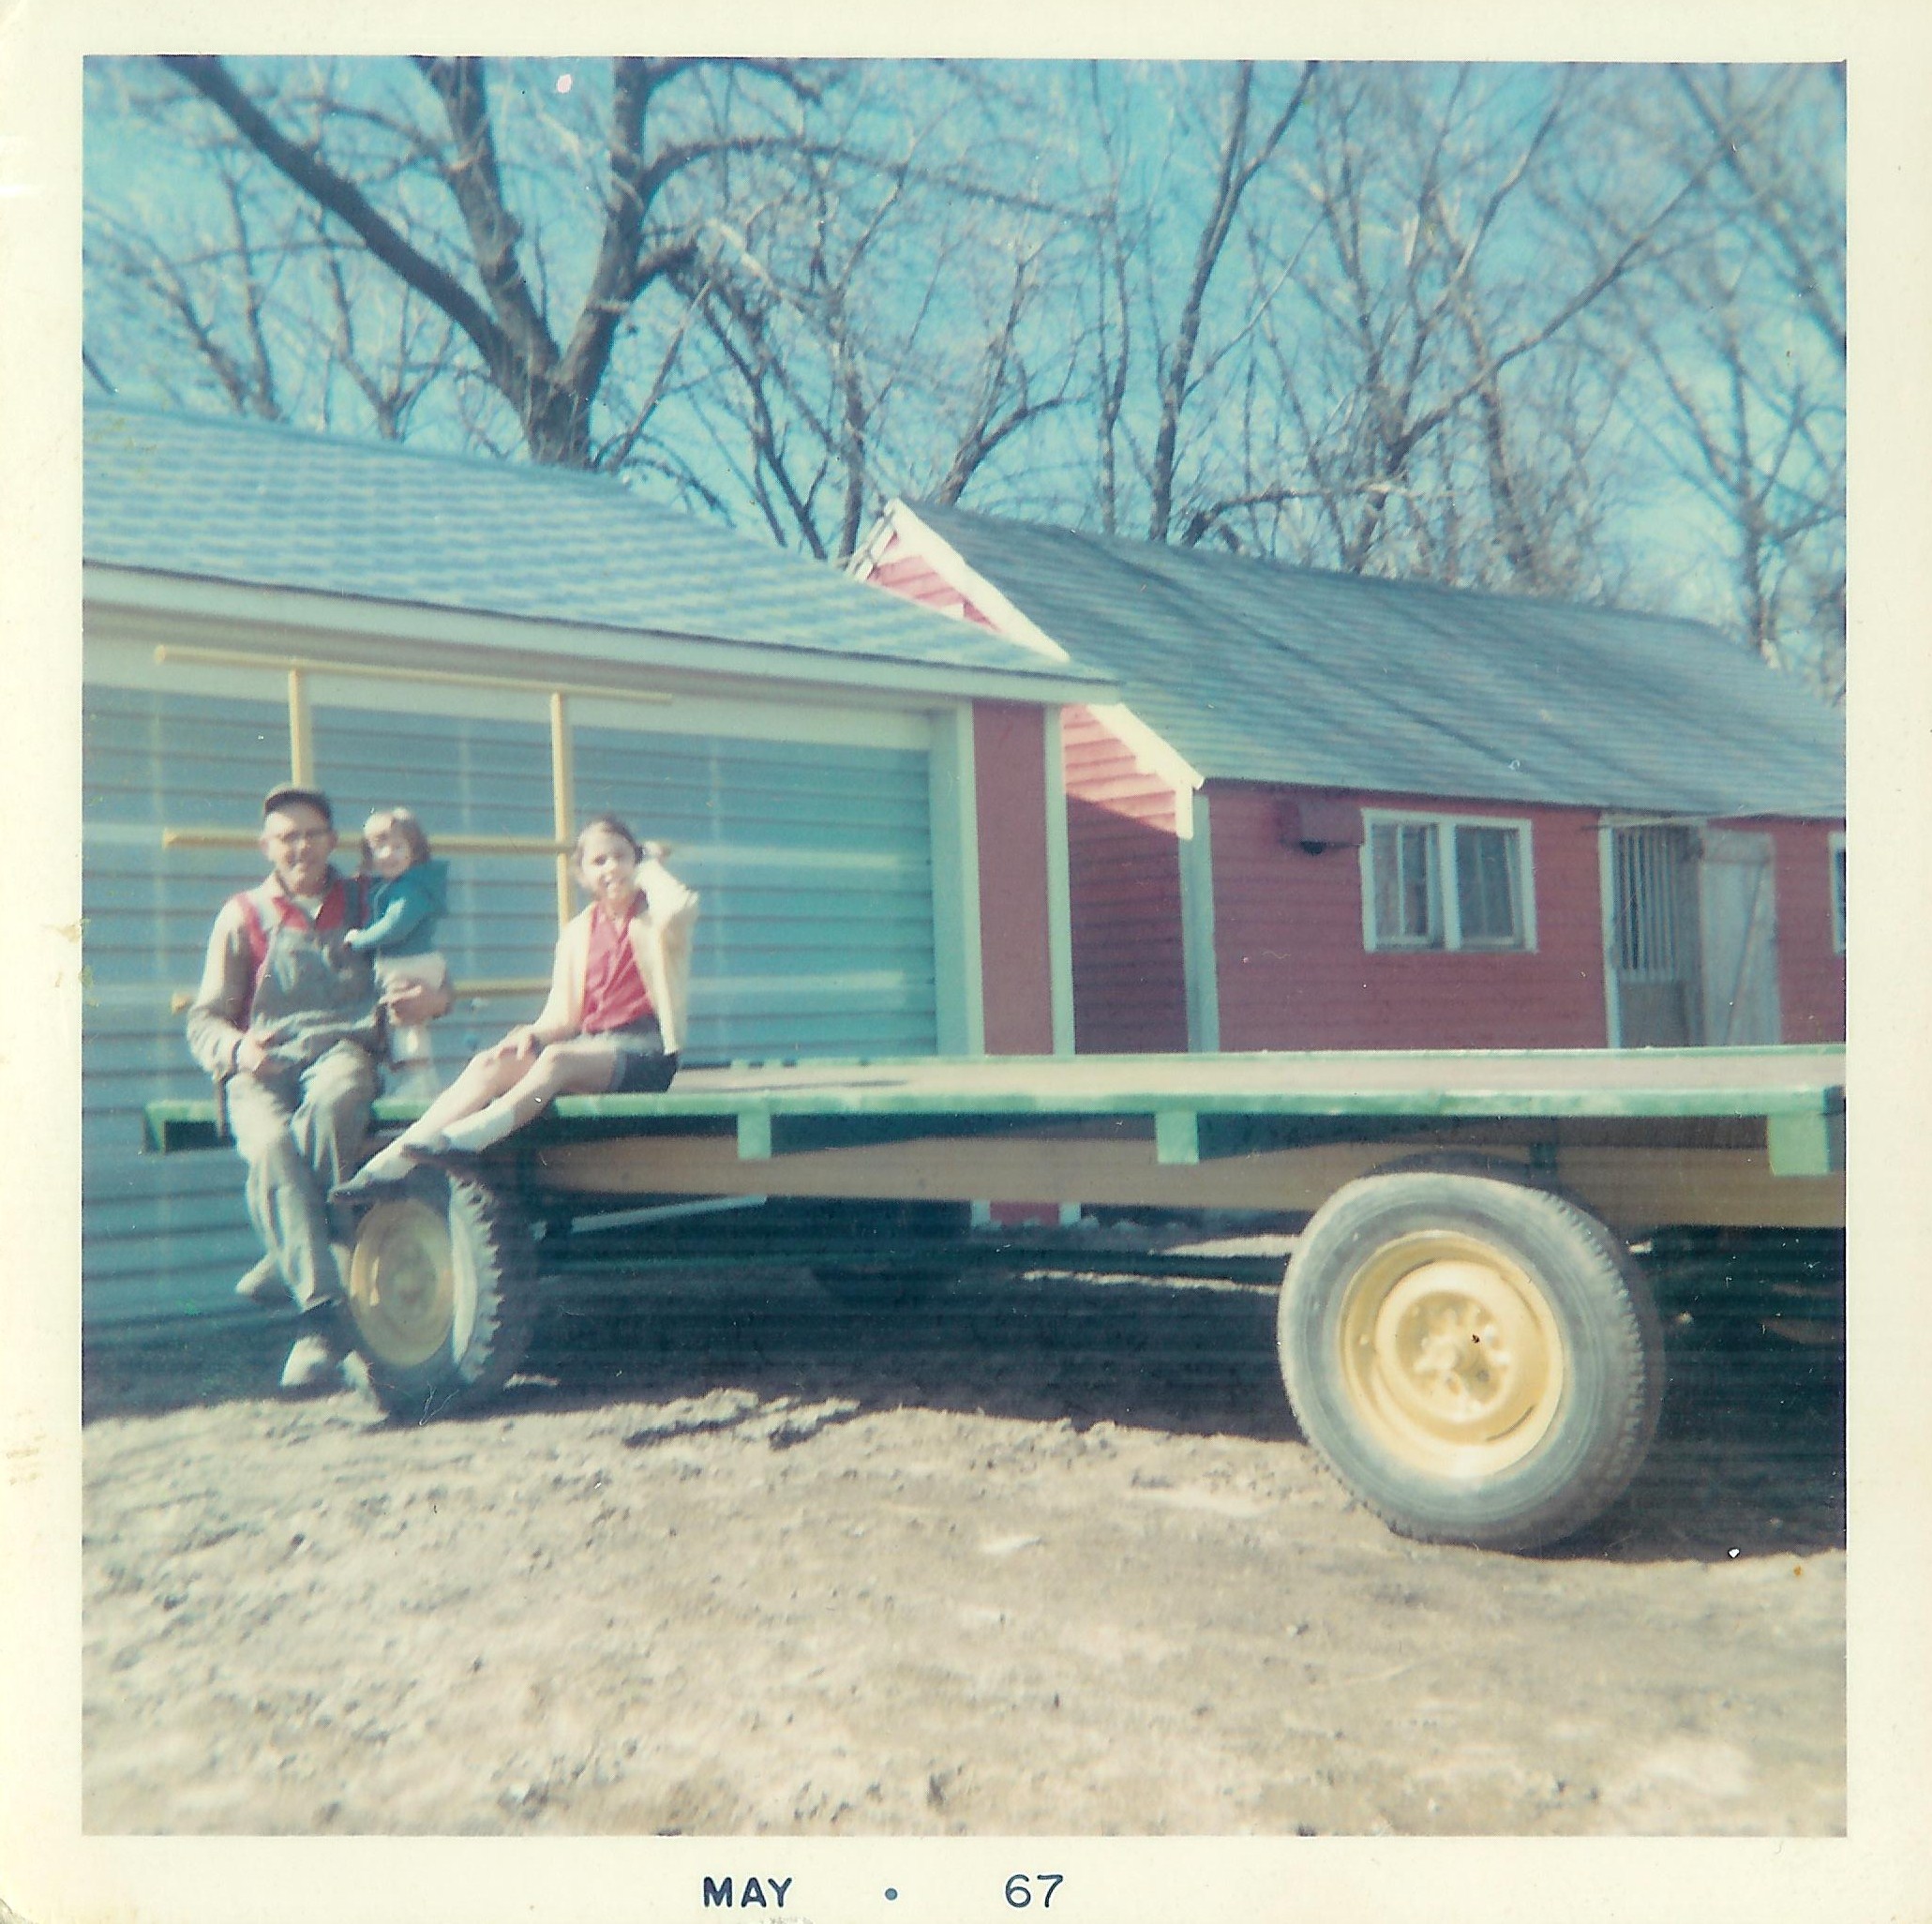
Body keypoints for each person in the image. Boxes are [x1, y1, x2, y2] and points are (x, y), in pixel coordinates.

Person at [188, 785, 447, 1391]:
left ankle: (308, 1308)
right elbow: (204, 1019)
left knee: (335, 1103)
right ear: (266, 847)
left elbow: (433, 976)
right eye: (287, 836)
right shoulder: (243, 916)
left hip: (341, 1051)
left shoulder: (370, 899)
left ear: (331, 840)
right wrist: (238, 1049)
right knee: (273, 1146)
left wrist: (434, 1000)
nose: (300, 846)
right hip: (263, 1065)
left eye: (311, 834)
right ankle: (319, 1305)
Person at [336, 815, 696, 1194]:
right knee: (490, 1062)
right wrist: (531, 1033)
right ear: (582, 876)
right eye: (598, 862)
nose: (611, 869)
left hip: (645, 1053)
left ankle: (468, 1139)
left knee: (557, 1059)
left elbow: (680, 906)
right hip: (592, 1049)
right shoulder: (579, 932)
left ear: (635, 861)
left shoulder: (657, 922)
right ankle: (391, 1164)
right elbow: (563, 1016)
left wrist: (651, 867)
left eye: (621, 857)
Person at [343, 806, 449, 1101]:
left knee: (405, 1016)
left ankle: (418, 1081)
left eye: (398, 846)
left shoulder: (410, 890)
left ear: (415, 852)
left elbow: (394, 927)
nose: (388, 854)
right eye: (379, 848)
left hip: (410, 963)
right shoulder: (390, 887)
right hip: (401, 962)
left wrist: (359, 939)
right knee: (398, 1022)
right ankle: (411, 1077)